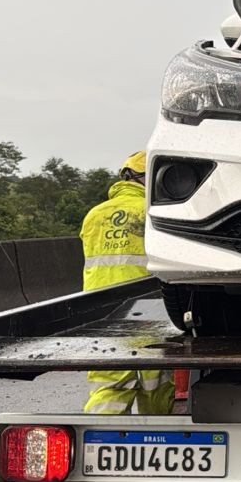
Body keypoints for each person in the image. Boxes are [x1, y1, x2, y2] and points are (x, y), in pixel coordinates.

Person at [81, 151, 174, 415]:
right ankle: (159, 441)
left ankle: (97, 441)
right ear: (147, 179)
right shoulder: (153, 213)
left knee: (109, 385)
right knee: (154, 385)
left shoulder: (93, 215)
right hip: (148, 310)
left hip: (101, 313)